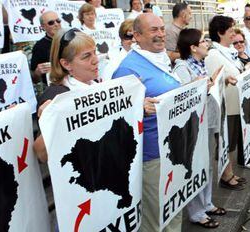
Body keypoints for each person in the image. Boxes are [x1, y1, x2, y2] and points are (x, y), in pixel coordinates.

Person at [111, 13, 182, 231]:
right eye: (154, 30)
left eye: (162, 28)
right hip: (152, 156)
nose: (161, 34)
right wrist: (138, 107)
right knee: (158, 220)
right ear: (137, 36)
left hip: (171, 150)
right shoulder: (127, 69)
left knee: (173, 211)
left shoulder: (159, 59)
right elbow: (118, 119)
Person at [173, 28, 226, 229]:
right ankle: (196, 212)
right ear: (193, 47)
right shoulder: (182, 67)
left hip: (206, 121)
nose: (206, 43)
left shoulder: (199, 63)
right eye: (202, 41)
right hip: (194, 126)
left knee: (206, 165)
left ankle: (207, 203)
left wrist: (213, 80)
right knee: (196, 167)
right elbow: (185, 97)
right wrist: (202, 84)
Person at [33, 28, 99, 162]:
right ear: (66, 64)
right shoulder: (56, 96)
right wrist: (53, 119)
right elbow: (41, 154)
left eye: (94, 52)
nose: (96, 60)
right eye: (86, 56)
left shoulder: (94, 84)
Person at [205, 15, 247, 188]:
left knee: (231, 141)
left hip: (234, 104)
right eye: (230, 31)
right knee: (225, 142)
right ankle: (225, 175)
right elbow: (215, 80)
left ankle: (229, 171)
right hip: (225, 107)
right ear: (220, 33)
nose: (233, 34)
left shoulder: (227, 52)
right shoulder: (213, 54)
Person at [30, 11, 62, 86]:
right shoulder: (39, 46)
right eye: (51, 22)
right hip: (55, 87)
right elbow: (34, 79)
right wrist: (38, 72)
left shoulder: (71, 38)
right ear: (43, 27)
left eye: (58, 21)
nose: (56, 24)